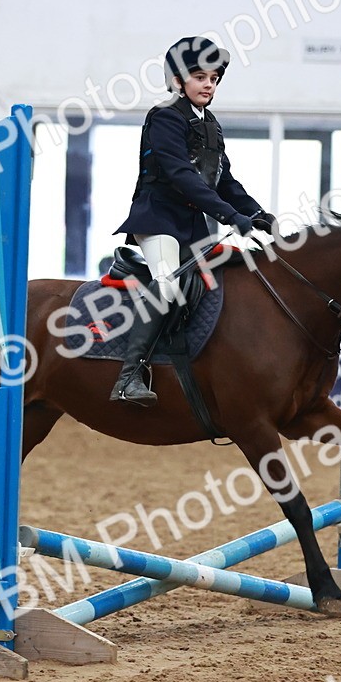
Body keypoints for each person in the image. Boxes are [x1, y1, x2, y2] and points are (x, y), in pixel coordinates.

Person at [110, 36, 277, 407]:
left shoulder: (211, 125)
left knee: (220, 285)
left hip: (191, 226)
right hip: (158, 220)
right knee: (168, 286)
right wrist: (230, 216)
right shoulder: (165, 116)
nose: (208, 85)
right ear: (177, 81)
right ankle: (128, 377)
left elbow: (225, 180)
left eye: (213, 79)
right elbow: (181, 175)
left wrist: (254, 212)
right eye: (200, 77)